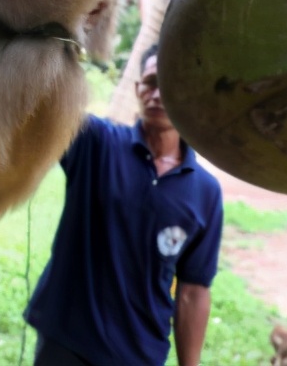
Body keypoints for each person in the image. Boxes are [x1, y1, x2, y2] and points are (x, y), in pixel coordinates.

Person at [24, 43, 224, 366]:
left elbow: (193, 291)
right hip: (67, 341)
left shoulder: (206, 192)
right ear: (137, 89)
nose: (158, 94)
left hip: (140, 353)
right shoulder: (95, 142)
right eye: (151, 82)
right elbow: (42, 97)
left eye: (170, 85)